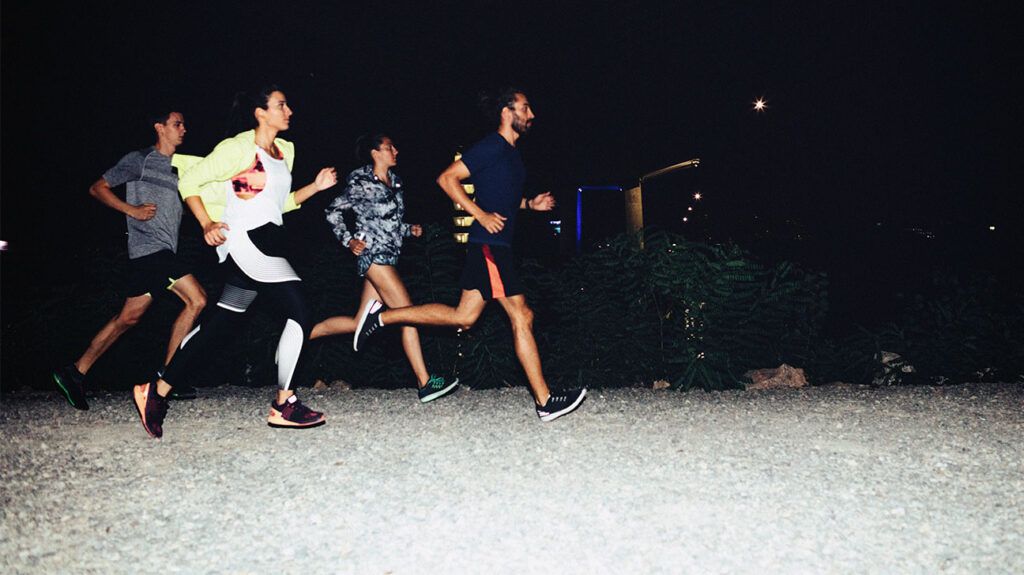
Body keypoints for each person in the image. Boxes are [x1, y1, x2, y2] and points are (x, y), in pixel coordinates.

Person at [354, 88, 586, 422]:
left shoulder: (512, 154)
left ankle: (382, 317)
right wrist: (479, 215)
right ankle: (545, 400)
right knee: (522, 315)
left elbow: (500, 201)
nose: (531, 114)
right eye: (525, 107)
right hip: (490, 247)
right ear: (507, 112)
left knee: (464, 317)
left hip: (496, 246)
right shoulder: (492, 146)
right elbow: (447, 179)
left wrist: (528, 205)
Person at [132, 86, 337, 438]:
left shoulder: (284, 150)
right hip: (245, 240)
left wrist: (315, 188)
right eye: (281, 105)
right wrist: (207, 223)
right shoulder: (238, 149)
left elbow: (278, 204)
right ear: (261, 112)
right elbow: (192, 182)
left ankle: (157, 391)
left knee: (220, 324)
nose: (289, 111)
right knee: (301, 311)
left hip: (268, 236)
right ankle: (284, 403)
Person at [52, 109, 207, 410]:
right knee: (197, 299)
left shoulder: (178, 167)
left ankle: (74, 372)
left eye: (184, 124)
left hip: (161, 253)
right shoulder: (140, 160)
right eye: (178, 124)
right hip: (151, 249)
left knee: (128, 318)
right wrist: (131, 210)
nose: (184, 129)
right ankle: (168, 379)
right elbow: (97, 188)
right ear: (160, 128)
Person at [312, 134, 459, 402]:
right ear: (374, 153)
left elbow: (388, 223)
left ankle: (300, 333)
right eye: (389, 147)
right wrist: (349, 240)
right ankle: (425, 382)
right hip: (373, 257)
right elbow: (333, 211)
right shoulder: (360, 181)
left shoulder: (396, 182)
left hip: (390, 256)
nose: (395, 150)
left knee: (358, 322)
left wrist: (408, 230)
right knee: (408, 314)